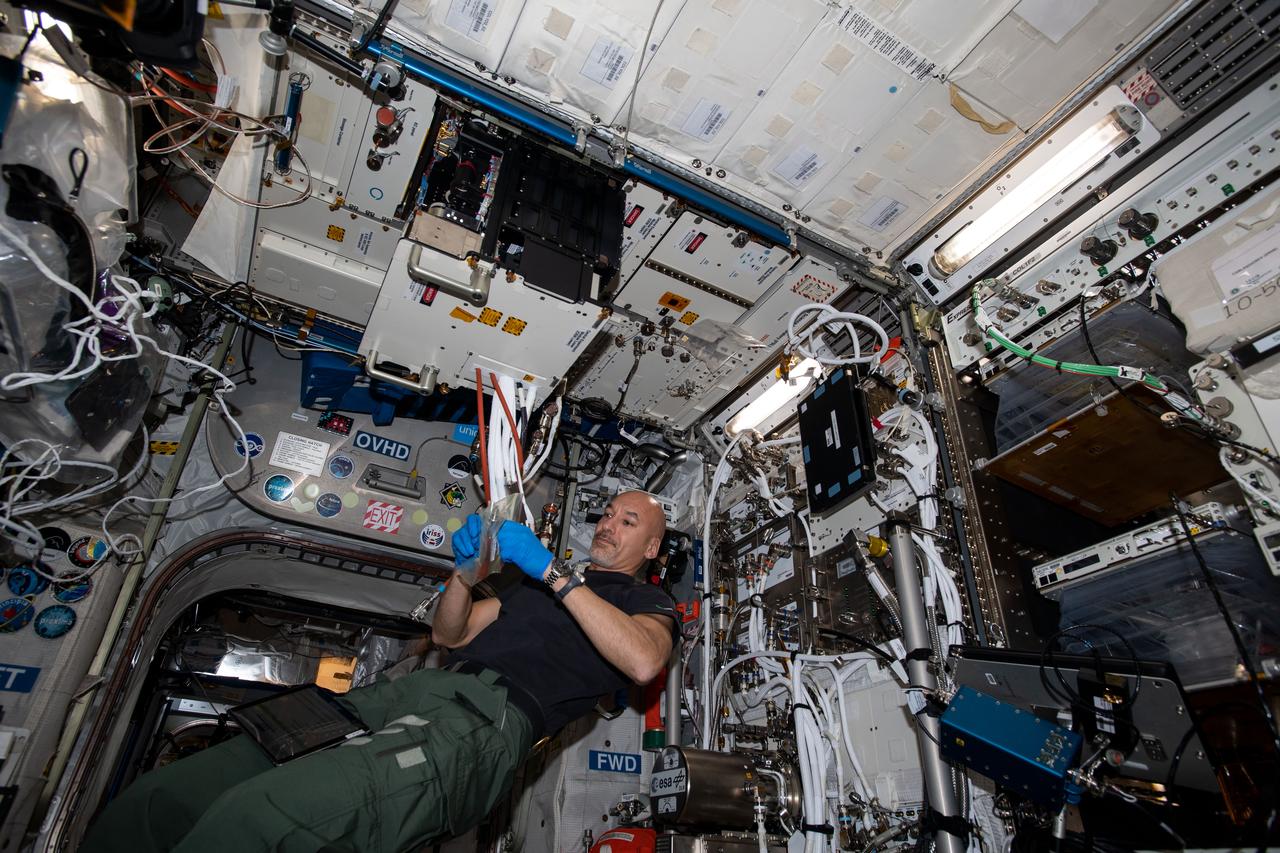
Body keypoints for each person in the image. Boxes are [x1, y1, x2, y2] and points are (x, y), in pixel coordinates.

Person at [81, 490, 677, 852]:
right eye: (607, 514)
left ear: (652, 549)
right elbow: (451, 635)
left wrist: (552, 571)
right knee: (161, 799)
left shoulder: (643, 604)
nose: (607, 524)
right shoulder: (537, 589)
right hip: (417, 693)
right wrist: (463, 575)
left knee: (260, 822)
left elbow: (644, 660)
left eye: (628, 522)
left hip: (480, 726)